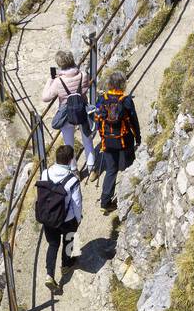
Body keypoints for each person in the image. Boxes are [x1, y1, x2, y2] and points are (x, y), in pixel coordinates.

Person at [92, 69, 141, 214]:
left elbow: (97, 118)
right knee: (129, 167)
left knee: (111, 169)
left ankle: (105, 201)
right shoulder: (125, 100)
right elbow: (133, 121)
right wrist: (138, 138)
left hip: (107, 140)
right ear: (122, 84)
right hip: (124, 140)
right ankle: (130, 193)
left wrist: (102, 137)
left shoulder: (102, 99)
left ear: (109, 84)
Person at [36, 144, 83, 294]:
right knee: (69, 239)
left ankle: (50, 275)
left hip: (48, 217)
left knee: (53, 244)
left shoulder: (45, 174)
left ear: (56, 158)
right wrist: (78, 218)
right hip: (67, 218)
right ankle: (66, 264)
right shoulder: (72, 180)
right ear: (70, 160)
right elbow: (77, 202)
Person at [41, 49, 95, 177]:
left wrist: (50, 80)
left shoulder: (58, 82)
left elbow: (45, 97)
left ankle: (74, 170)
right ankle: (92, 169)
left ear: (60, 65)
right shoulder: (83, 75)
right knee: (87, 139)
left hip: (67, 115)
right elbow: (85, 89)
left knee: (68, 143)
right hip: (82, 111)